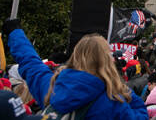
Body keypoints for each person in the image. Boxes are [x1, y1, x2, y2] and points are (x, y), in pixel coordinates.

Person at [4, 19, 147, 118]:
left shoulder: (53, 87)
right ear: (107, 61)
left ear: (75, 56)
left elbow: (31, 64)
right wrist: (121, 88)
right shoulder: (114, 103)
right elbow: (140, 115)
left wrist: (15, 33)